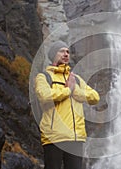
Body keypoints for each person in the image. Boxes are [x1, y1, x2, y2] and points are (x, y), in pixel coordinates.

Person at [34, 41, 100, 169]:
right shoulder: (44, 77)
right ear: (53, 54)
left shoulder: (76, 79)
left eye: (68, 52)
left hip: (76, 137)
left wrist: (75, 90)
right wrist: (67, 90)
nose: (66, 54)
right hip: (54, 137)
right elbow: (45, 96)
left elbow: (95, 97)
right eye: (62, 51)